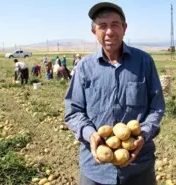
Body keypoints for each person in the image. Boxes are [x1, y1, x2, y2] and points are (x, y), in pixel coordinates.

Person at [64, 2, 165, 185]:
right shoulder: (84, 67)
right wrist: (91, 135)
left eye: (115, 25)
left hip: (139, 167)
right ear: (94, 31)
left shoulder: (144, 62)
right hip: (95, 169)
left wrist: (143, 134)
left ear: (124, 28)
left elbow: (157, 107)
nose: (109, 31)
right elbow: (74, 111)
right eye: (102, 26)